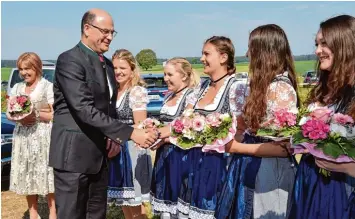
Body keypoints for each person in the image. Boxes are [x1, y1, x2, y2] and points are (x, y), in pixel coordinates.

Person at [49, 9, 157, 219]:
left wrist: (114, 138)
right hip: (73, 157)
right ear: (87, 29)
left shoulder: (107, 65)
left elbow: (109, 107)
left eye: (112, 32)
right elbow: (83, 108)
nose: (109, 37)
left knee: (96, 214)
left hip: (101, 156)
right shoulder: (69, 60)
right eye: (105, 31)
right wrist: (129, 133)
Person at [157, 36, 247, 219]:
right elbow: (182, 123)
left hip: (220, 168)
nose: (201, 58)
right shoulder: (202, 87)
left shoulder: (236, 87)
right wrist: (155, 133)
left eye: (206, 54)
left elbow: (241, 131)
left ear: (223, 57)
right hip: (192, 164)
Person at [215, 24, 299, 219]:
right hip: (252, 162)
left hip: (270, 169)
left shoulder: (280, 89)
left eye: (251, 48)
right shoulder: (263, 86)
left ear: (265, 52)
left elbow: (284, 147)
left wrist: (234, 147)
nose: (247, 54)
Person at [288, 14, 355, 219]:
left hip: (344, 194)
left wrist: (347, 167)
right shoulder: (328, 90)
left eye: (324, 43)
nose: (317, 51)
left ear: (344, 44)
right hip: (314, 184)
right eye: (316, 43)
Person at [7, 52, 56, 219]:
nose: (23, 72)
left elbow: (54, 114)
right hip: (23, 136)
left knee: (46, 173)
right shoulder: (17, 88)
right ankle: (33, 214)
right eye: (21, 69)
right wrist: (17, 116)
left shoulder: (47, 86)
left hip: (42, 136)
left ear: (37, 68)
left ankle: (53, 213)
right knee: (28, 173)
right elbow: (9, 113)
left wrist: (35, 114)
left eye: (27, 68)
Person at [149, 57, 200, 218]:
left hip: (183, 156)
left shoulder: (192, 96)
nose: (165, 79)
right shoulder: (169, 96)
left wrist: (163, 138)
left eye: (170, 74)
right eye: (164, 74)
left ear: (184, 76)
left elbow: (191, 130)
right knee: (166, 207)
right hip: (164, 156)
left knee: (182, 206)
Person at [107, 49, 152, 219]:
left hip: (132, 150)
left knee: (136, 203)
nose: (118, 72)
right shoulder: (113, 92)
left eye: (123, 68)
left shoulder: (136, 92)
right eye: (115, 67)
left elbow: (140, 127)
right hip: (116, 150)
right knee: (124, 202)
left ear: (132, 69)